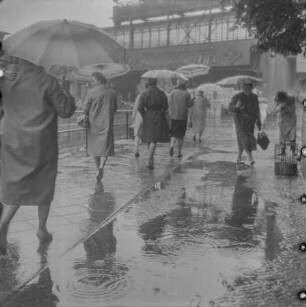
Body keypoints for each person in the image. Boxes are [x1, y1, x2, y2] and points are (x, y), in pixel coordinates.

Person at [0, 55, 76, 255]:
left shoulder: (7, 77)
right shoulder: (48, 80)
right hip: (41, 142)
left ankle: (4, 222)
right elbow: (66, 110)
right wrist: (67, 95)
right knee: (43, 183)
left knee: (18, 182)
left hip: (13, 139)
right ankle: (41, 228)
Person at [84, 72, 117, 181]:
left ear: (98, 80)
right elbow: (115, 108)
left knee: (95, 147)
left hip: (94, 124)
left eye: (93, 80)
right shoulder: (112, 92)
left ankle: (97, 168)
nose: (92, 82)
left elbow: (85, 110)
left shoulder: (91, 92)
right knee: (105, 146)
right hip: (107, 122)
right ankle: (102, 165)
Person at [228, 79, 263, 165]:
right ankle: (250, 157)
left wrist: (259, 122)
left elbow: (257, 110)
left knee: (244, 139)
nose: (247, 88)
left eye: (249, 86)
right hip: (240, 121)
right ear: (242, 87)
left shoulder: (254, 97)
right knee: (245, 138)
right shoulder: (237, 97)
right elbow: (229, 108)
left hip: (250, 121)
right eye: (245, 86)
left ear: (251, 87)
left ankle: (239, 157)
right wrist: (236, 106)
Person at [138, 78, 169, 169]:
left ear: (148, 83)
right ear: (156, 83)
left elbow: (140, 107)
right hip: (158, 116)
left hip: (148, 116)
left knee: (149, 138)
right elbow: (166, 106)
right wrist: (161, 113)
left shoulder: (144, 94)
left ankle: (151, 158)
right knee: (154, 139)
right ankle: (150, 159)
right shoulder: (161, 93)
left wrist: (144, 114)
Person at [168, 79, 193, 158]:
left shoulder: (172, 93)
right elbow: (189, 105)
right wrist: (192, 100)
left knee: (174, 133)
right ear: (184, 86)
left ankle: (171, 146)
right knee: (181, 135)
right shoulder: (187, 94)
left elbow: (169, 103)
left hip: (173, 116)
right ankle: (179, 152)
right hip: (182, 117)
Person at [274, 91, 297, 155]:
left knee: (292, 135)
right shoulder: (277, 99)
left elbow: (293, 109)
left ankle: (293, 151)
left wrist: (285, 108)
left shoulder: (291, 98)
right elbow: (275, 108)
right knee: (282, 136)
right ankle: (283, 151)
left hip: (291, 120)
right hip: (281, 120)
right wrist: (279, 108)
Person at [132, 84, 147, 157]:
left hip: (139, 115)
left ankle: (136, 150)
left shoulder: (140, 96)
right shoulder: (148, 95)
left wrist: (133, 117)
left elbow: (135, 107)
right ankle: (149, 152)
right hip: (147, 116)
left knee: (137, 134)